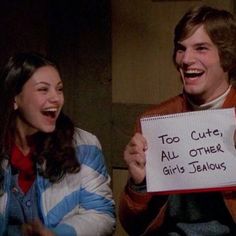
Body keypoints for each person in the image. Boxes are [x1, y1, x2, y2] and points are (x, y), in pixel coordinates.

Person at [119, 5, 236, 236]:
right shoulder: (154, 121)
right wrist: (139, 184)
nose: (186, 59)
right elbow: (133, 227)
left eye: (201, 48)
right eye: (181, 49)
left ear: (227, 56)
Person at [0, 52, 115, 236]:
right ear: (15, 98)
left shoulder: (84, 146)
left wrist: (57, 234)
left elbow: (101, 215)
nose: (56, 98)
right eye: (43, 89)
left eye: (59, 89)